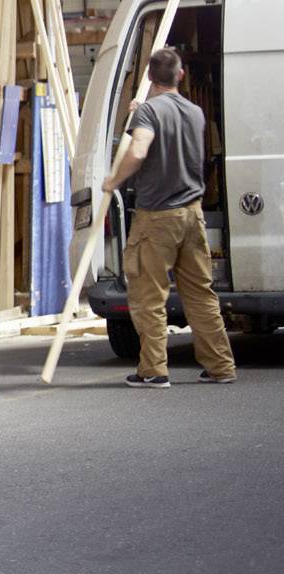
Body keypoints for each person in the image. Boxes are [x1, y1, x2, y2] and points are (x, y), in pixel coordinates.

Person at [103, 46, 237, 389]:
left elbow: (140, 149)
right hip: (192, 216)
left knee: (149, 296)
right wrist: (140, 114)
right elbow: (166, 132)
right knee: (200, 294)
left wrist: (115, 180)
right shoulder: (195, 112)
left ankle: (153, 370)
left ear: (149, 77)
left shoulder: (147, 113)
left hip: (157, 218)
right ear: (180, 75)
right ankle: (220, 366)